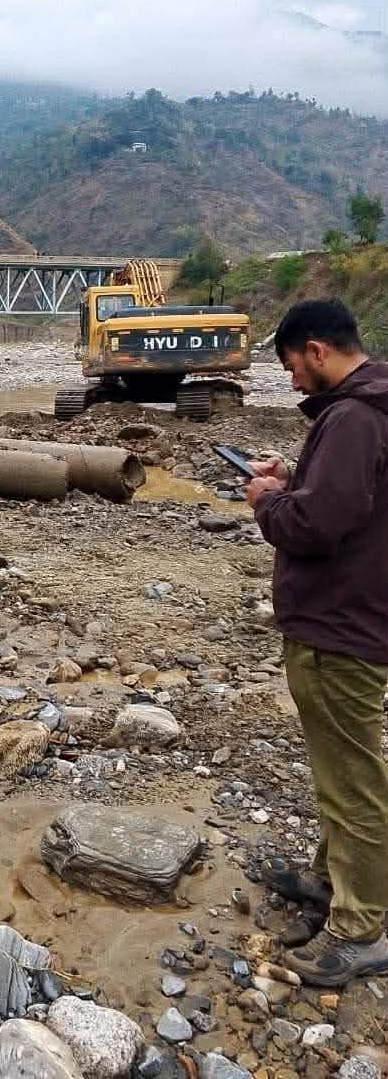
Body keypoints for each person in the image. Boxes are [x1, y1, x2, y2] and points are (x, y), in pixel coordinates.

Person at [246, 298, 388, 986]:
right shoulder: (367, 409)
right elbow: (352, 503)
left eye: (291, 367)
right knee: (340, 775)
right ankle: (330, 881)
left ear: (316, 350)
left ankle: (360, 930)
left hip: (339, 627)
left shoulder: (356, 417)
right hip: (356, 614)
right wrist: (295, 478)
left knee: (352, 781)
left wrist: (265, 502)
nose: (292, 381)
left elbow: (318, 526)